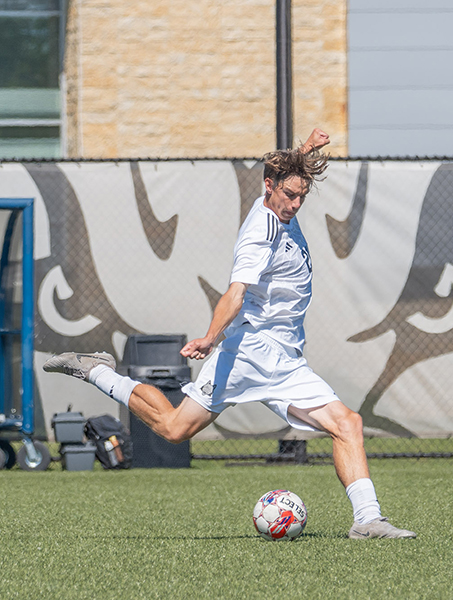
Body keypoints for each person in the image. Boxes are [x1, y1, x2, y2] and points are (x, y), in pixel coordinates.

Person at [44, 129, 416, 540]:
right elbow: (235, 293)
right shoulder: (262, 232)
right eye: (289, 195)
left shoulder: (277, 202)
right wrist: (209, 337)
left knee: (348, 424)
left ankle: (367, 520)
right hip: (247, 354)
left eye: (302, 197)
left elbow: (284, 170)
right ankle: (98, 371)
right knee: (173, 429)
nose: (295, 204)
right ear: (269, 187)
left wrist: (304, 151)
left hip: (286, 361)